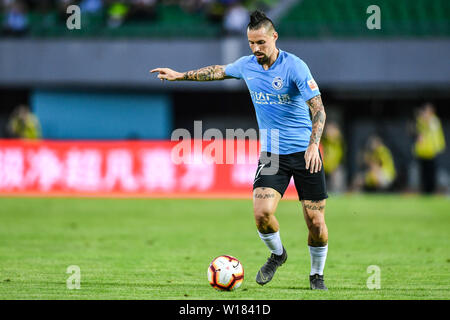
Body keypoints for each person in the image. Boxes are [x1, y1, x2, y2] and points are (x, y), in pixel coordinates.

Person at [151, 10, 329, 290]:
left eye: (261, 42)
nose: (256, 49)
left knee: (316, 222)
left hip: (305, 153)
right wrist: (179, 76)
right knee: (261, 215)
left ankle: (316, 275)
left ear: (274, 37)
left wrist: (314, 145)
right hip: (272, 154)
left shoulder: (295, 67)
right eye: (251, 43)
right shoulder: (247, 65)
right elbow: (217, 71)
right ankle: (278, 254)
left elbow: (318, 110)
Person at [413, 102, 446, 194]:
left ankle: (431, 191)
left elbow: (437, 134)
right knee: (423, 173)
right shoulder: (420, 121)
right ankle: (424, 191)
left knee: (431, 173)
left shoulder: (434, 121)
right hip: (422, 151)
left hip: (431, 151)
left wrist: (440, 146)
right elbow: (416, 132)